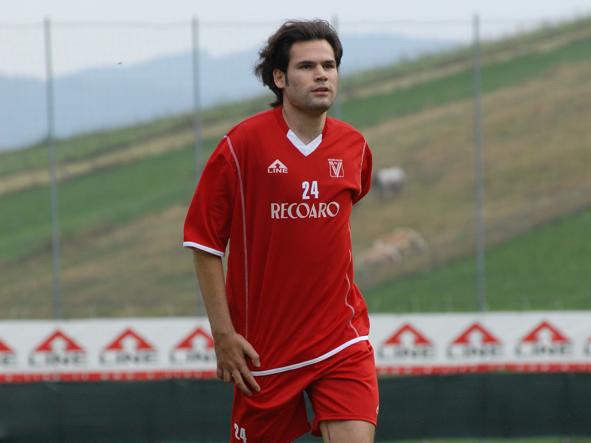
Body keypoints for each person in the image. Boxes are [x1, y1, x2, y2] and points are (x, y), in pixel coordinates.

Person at [183, 19, 378, 443]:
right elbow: (204, 243)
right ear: (279, 78)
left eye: (329, 65)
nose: (322, 74)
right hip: (264, 351)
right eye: (307, 66)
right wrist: (223, 336)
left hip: (340, 340)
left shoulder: (355, 148)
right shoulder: (241, 146)